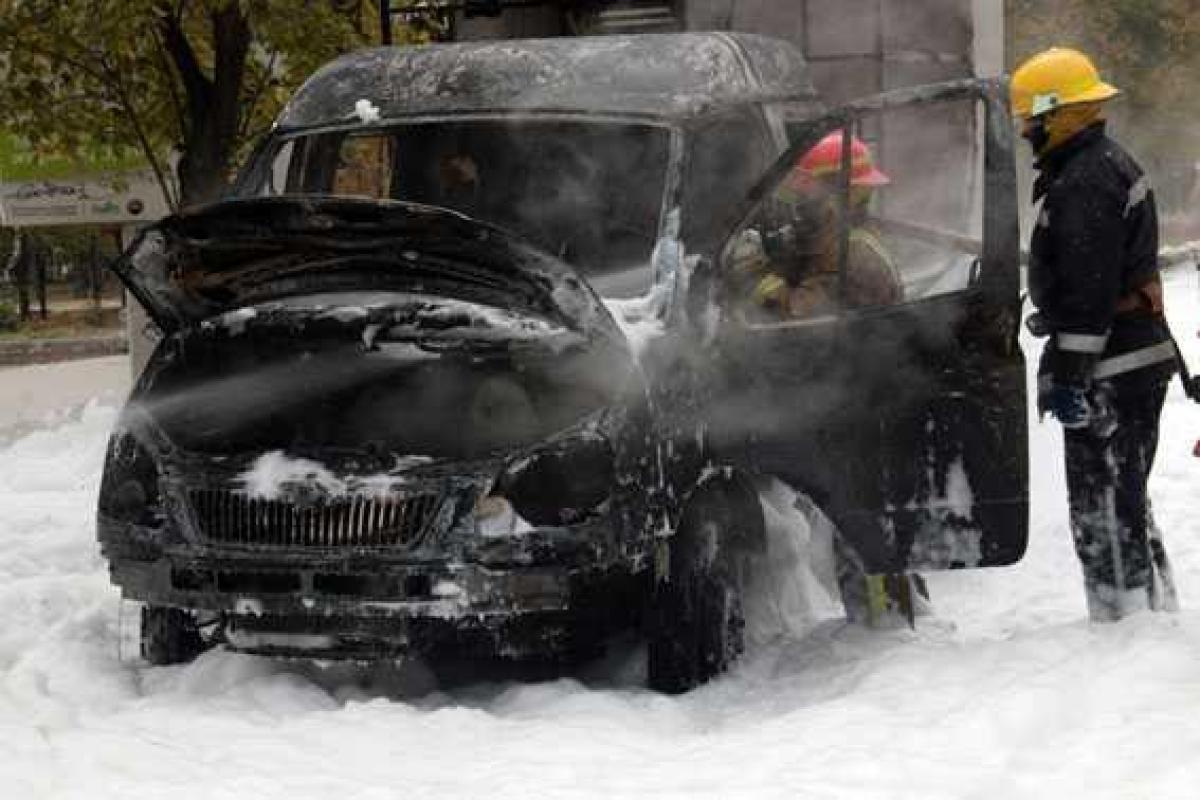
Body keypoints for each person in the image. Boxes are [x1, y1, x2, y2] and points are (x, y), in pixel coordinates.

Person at [1011, 47, 1179, 621]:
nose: (1027, 130)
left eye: (1033, 118)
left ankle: (1125, 626)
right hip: (1128, 360)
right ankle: (1148, 615)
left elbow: (1087, 300)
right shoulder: (1097, 165)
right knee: (1123, 496)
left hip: (1112, 368)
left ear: (1061, 114)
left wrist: (1070, 376)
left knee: (1103, 506)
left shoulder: (1083, 180)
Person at [748, 131, 903, 318]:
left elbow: (805, 308)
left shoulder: (857, 252)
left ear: (842, 194)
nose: (797, 201)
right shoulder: (829, 235)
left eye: (805, 190)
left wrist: (764, 287)